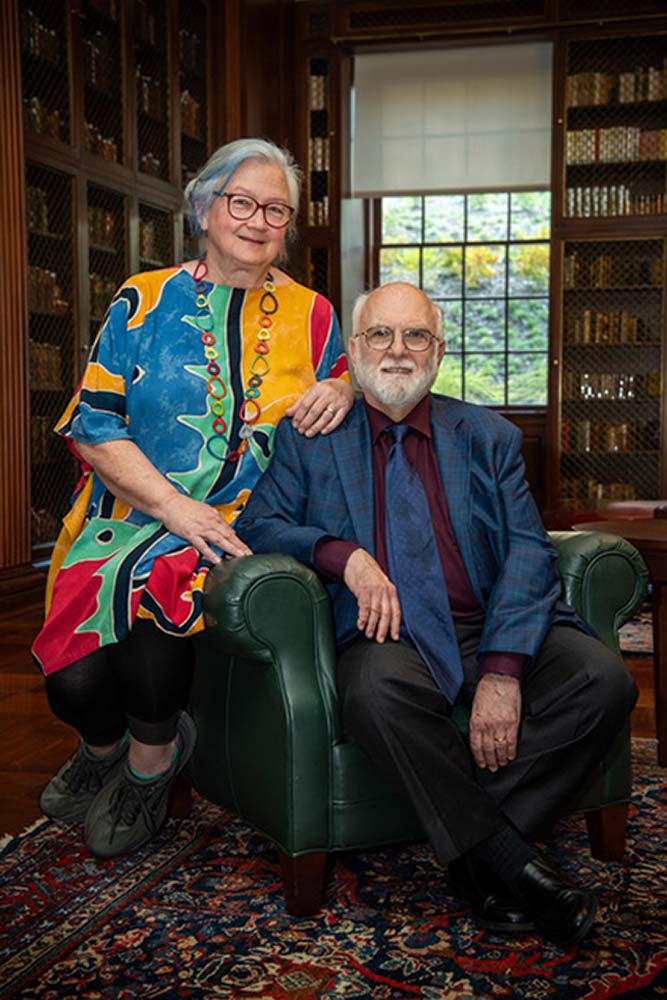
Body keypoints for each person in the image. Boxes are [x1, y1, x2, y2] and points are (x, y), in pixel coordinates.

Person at [233, 281, 637, 947]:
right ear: (353, 350)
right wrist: (342, 555)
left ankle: (483, 854)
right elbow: (259, 525)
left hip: (484, 619)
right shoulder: (310, 438)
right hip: (389, 631)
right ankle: (511, 863)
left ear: (438, 351)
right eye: (381, 336)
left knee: (603, 679)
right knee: (373, 692)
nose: (398, 350)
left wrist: (503, 671)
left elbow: (527, 554)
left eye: (415, 336)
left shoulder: (486, 437)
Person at [32, 137, 354, 860]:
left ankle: (150, 762)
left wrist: (342, 385)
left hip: (246, 525)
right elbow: (93, 422)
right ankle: (103, 745)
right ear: (205, 209)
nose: (258, 219)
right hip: (128, 513)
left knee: (155, 626)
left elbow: (358, 374)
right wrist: (173, 508)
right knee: (71, 682)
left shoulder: (313, 314)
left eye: (277, 208)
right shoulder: (142, 300)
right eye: (242, 202)